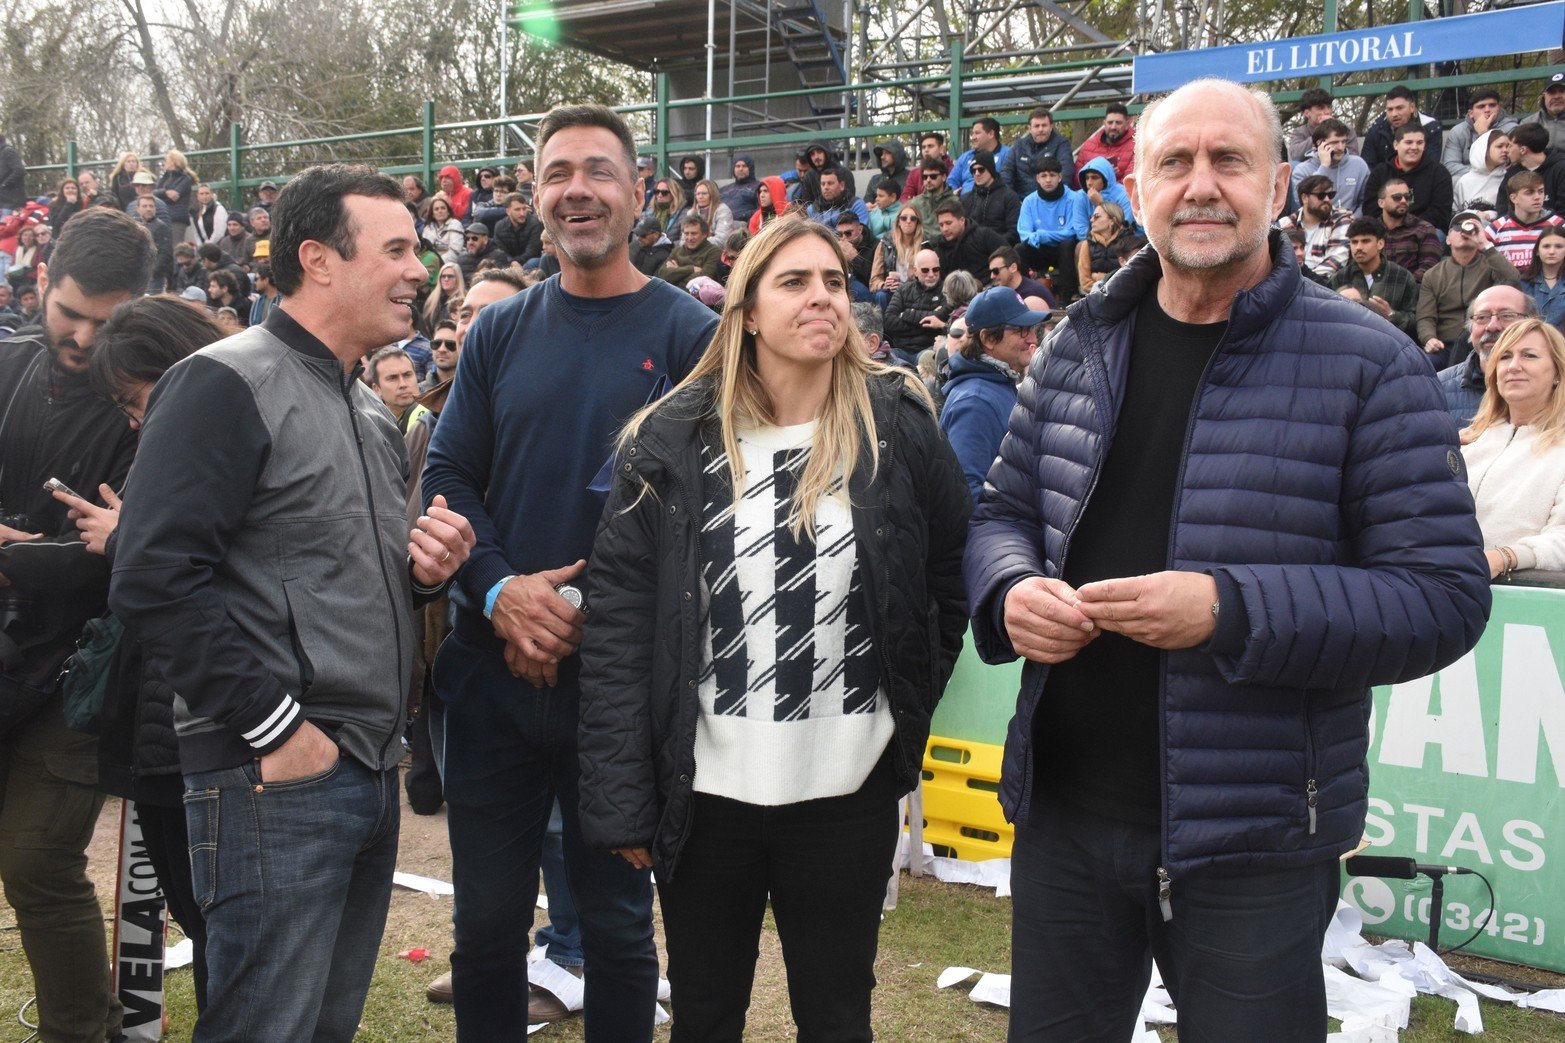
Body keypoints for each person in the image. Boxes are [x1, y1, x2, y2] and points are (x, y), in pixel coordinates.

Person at [963, 78, 1489, 1042]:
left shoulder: (1369, 362)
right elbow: (1000, 510)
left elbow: (1441, 597)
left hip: (1253, 837)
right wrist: (1006, 592)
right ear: (1135, 190)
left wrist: (1228, 608)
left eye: (1228, 160)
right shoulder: (1078, 340)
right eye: (1173, 162)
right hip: (1066, 816)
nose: (1199, 185)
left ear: (1278, 184)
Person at [577, 215, 971, 1043]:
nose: (822, 297)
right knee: (707, 1014)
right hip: (708, 794)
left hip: (846, 794)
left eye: (833, 280)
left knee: (836, 1017)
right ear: (747, 310)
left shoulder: (896, 425)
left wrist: (900, 714)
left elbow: (944, 587)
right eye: (794, 282)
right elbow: (616, 625)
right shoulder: (671, 439)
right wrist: (621, 801)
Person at [108, 163, 475, 1041]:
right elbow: (151, 577)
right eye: (395, 248)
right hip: (273, 776)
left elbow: (329, 573)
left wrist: (426, 570)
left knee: (321, 1028)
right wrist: (280, 731)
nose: (419, 268)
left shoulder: (365, 407)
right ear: (316, 258)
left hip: (361, 768)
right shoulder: (222, 381)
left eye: (417, 248)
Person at [419, 103, 720, 1043]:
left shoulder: (688, 335)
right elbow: (448, 475)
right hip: (489, 674)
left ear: (639, 193)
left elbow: (696, 508)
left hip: (617, 689)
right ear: (536, 197)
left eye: (597, 171)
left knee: (623, 933)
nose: (576, 190)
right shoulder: (500, 331)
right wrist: (505, 592)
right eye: (557, 173)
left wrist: (574, 605)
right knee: (485, 931)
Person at [50, 295, 229, 1016]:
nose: (132, 418)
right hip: (161, 732)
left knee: (227, 933)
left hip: (199, 735)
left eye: (135, 398)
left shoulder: (224, 440)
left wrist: (125, 540)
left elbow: (205, 573)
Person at [0, 206, 153, 1043]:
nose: (87, 337)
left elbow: (121, 558)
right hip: (7, 648)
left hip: (84, 672)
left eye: (107, 320)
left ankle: (78, 1033)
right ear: (41, 283)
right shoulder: (6, 364)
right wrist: (47, 545)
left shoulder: (157, 401)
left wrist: (21, 548)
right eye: (71, 313)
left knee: (38, 862)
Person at [1460, 319, 1565, 579]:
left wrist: (1503, 557)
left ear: (1557, 373)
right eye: (1505, 357)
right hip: (1443, 590)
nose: (1514, 366)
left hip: (1521, 604)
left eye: (1529, 356)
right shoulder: (1468, 442)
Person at [940, 285, 1046, 502]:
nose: (1032, 338)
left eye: (1032, 328)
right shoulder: (975, 403)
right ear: (988, 338)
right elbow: (968, 495)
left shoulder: (997, 384)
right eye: (1020, 330)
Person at [1417, 212, 1523, 368]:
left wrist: (1485, 244)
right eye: (1457, 227)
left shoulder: (1490, 265)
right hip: (1444, 344)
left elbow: (1512, 280)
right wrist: (1429, 338)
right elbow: (1425, 317)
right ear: (1447, 239)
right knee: (1422, 364)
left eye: (1471, 227)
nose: (1464, 231)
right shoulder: (1433, 274)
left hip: (1484, 339)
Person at [1438, 285, 1535, 426]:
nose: (1492, 326)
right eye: (1482, 317)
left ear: (1533, 323)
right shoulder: (1436, 390)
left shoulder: (1556, 386)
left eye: (1506, 316)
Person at [1330, 217, 1419, 340]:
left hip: (1389, 343)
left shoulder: (1402, 277)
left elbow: (1416, 321)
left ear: (1380, 244)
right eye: (1354, 242)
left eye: (1365, 241)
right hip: (1348, 341)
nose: (1358, 247)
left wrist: (1390, 314)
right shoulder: (1340, 278)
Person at [1364, 122, 1454, 232]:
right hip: (1386, 229)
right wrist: (1392, 226)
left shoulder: (1439, 173)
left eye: (1419, 143)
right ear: (1396, 144)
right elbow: (1370, 209)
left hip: (1424, 230)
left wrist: (1407, 226)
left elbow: (1440, 213)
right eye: (1408, 142)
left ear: (1424, 145)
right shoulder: (1380, 172)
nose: (1414, 147)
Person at [1016, 156, 1083, 301]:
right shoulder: (1029, 201)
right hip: (1039, 249)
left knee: (1068, 245)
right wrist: (1036, 237)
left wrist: (1044, 235)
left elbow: (1072, 231)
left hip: (1063, 249)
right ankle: (1024, 295)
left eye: (1052, 175)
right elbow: (1024, 233)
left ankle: (1067, 298)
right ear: (1037, 178)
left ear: (1060, 177)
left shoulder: (1074, 198)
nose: (1048, 180)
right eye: (1043, 176)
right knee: (1020, 249)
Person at [1276, 175, 1353, 281]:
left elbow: (1336, 261)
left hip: (1324, 284)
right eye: (1321, 195)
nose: (1327, 199)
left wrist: (1307, 280)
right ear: (1304, 198)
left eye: (1330, 195)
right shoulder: (1286, 223)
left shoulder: (1340, 221)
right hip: (1290, 281)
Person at [1290, 119, 1372, 216]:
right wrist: (1324, 166)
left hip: (1352, 226)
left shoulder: (1359, 165)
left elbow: (1366, 202)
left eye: (1344, 141)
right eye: (1335, 142)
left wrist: (1353, 219)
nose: (1341, 147)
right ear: (1319, 143)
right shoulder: (1301, 170)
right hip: (1317, 225)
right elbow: (1304, 203)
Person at [1488, 170, 1564, 272]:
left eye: (1541, 191)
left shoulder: (1558, 225)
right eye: (1529, 192)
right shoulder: (1496, 228)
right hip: (1508, 285)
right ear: (1514, 198)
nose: (1537, 197)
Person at [883, 247, 946, 366]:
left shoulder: (946, 291)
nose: (931, 274)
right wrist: (927, 321)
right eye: (925, 270)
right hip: (900, 351)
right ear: (916, 271)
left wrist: (906, 315)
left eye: (936, 269)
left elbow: (940, 320)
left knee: (927, 359)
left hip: (928, 350)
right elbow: (889, 322)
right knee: (882, 358)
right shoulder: (903, 290)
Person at [1372, 177, 1442, 281]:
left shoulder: (1424, 229)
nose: (1404, 200)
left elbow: (1429, 268)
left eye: (1407, 197)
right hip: (1371, 289)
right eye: (1397, 197)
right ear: (1381, 203)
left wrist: (1400, 287)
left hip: (1410, 291)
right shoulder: (1370, 229)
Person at [1361, 84, 1445, 170]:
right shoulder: (1376, 130)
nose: (1394, 114)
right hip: (1384, 182)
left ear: (1412, 107)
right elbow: (1367, 169)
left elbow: (1430, 167)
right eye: (1390, 109)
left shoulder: (1430, 127)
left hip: (1421, 181)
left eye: (1399, 108)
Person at [1443, 89, 1519, 181]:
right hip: (1469, 178)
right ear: (1471, 113)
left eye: (1492, 105)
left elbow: (1514, 163)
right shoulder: (1458, 131)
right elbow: (1450, 165)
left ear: (1498, 109)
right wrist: (1479, 173)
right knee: (1454, 180)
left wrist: (1484, 134)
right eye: (1481, 106)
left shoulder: (1512, 129)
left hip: (1501, 177)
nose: (1487, 110)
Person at [1495, 122, 1565, 219]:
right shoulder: (1512, 173)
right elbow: (1502, 208)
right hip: (1516, 230)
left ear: (1523, 150)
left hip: (1554, 231)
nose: (1507, 150)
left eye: (1510, 146)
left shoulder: (1561, 169)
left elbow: (1563, 211)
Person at [1002, 107, 1076, 196]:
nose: (1040, 129)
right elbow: (1006, 173)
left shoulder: (1062, 144)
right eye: (1036, 126)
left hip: (1051, 200)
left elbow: (1066, 173)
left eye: (1044, 125)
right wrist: (1011, 200)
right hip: (1020, 202)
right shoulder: (1019, 146)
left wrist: (1051, 199)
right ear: (1029, 128)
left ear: (1051, 126)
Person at [932, 199, 1007, 284]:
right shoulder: (939, 250)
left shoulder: (984, 236)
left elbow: (1007, 259)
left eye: (948, 223)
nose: (944, 229)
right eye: (941, 225)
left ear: (962, 220)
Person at [1286, 88, 1362, 164]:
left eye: (1329, 107)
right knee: (1293, 164)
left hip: (1340, 168)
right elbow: (1295, 155)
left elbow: (1353, 156)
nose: (1327, 112)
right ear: (1307, 113)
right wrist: (1318, 133)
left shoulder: (1346, 129)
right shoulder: (1300, 132)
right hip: (1311, 170)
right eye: (1320, 108)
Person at [960, 151, 1021, 244]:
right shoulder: (965, 199)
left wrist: (991, 243)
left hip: (999, 250)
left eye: (981, 169)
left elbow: (1014, 232)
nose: (977, 174)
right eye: (973, 170)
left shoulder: (1009, 197)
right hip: (970, 249)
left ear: (991, 170)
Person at [1076, 200, 1135, 295]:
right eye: (1091, 216)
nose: (1091, 220)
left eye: (1097, 216)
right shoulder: (1087, 244)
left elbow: (1131, 277)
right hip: (1097, 296)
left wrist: (1099, 277)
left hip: (1125, 294)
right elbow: (1085, 283)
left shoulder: (1129, 242)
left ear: (1112, 221)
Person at [870, 203, 927, 296]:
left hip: (914, 294)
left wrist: (906, 286)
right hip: (891, 293)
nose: (908, 221)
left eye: (913, 218)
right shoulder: (885, 243)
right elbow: (873, 281)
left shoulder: (925, 245)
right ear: (898, 222)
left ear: (917, 223)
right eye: (904, 218)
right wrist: (885, 285)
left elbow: (929, 280)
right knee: (880, 295)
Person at [1454, 129, 1513, 217]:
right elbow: (1455, 211)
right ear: (1484, 149)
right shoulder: (1464, 181)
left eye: (1507, 146)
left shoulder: (1509, 179)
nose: (1505, 150)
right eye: (1499, 146)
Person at [1074, 102, 1136, 183]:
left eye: (1118, 123)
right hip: (1088, 194)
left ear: (1127, 124)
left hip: (1120, 195)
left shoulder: (1136, 146)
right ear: (1104, 123)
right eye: (1110, 122)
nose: (1113, 127)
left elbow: (1129, 182)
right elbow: (1077, 180)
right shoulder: (1088, 146)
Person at [950, 117, 1012, 196]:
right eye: (973, 133)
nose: (973, 137)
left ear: (991, 134)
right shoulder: (966, 156)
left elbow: (1007, 183)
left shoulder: (1008, 154)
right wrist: (953, 195)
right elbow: (951, 181)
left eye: (977, 133)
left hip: (993, 202)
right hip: (963, 203)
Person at [368, 345, 421, 432]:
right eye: (392, 378)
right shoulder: (372, 427)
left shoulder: (434, 416)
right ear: (377, 389)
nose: (403, 384)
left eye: (407, 375)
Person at [660, 214, 722, 289]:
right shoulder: (677, 251)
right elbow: (662, 274)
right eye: (686, 233)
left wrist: (676, 271)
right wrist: (691, 269)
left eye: (694, 233)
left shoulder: (714, 252)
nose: (689, 238)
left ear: (704, 234)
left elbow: (702, 282)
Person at [988, 246, 1056, 311]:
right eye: (990, 272)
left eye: (995, 271)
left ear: (1013, 268)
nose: (992, 276)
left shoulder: (1035, 292)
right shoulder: (997, 294)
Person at [1524, 224, 1565, 327]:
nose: (1552, 251)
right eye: (1546, 246)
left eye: (1559, 246)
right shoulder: (1523, 282)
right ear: (1537, 251)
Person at [805, 169, 869, 229]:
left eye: (830, 183)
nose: (826, 187)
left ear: (842, 185)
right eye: (823, 184)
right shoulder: (812, 209)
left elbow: (862, 232)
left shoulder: (856, 205)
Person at [136, 195, 174, 293]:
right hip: (137, 276)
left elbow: (166, 253)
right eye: (144, 206)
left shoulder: (161, 227)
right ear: (138, 209)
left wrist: (153, 272)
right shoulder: (135, 226)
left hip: (153, 278)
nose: (148, 209)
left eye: (151, 206)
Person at [1519, 73, 1565, 152]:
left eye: (1562, 91)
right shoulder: (1528, 123)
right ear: (1544, 96)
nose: (1557, 96)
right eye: (1552, 92)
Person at [156, 149, 196, 241]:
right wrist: (165, 192)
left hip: (177, 218)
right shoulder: (164, 178)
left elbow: (174, 197)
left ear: (173, 162)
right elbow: (154, 194)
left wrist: (161, 195)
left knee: (176, 248)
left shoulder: (185, 178)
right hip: (163, 216)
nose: (164, 162)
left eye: (166, 160)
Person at [898, 132, 950, 200]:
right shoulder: (914, 173)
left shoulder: (952, 170)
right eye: (923, 147)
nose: (926, 150)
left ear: (941, 149)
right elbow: (905, 197)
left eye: (930, 146)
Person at [494, 193, 544, 264]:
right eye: (517, 210)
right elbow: (500, 251)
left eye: (524, 209)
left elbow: (532, 252)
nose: (522, 213)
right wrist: (512, 262)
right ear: (508, 211)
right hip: (508, 264)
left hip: (529, 264)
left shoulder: (535, 224)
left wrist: (515, 262)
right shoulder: (500, 226)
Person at [689, 178, 735, 244]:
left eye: (704, 193)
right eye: (698, 194)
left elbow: (722, 240)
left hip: (714, 251)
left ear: (713, 195)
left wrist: (696, 242)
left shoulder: (723, 210)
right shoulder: (691, 213)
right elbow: (683, 240)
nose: (700, 197)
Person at [423, 193, 467, 261]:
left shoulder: (455, 224)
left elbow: (455, 251)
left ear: (448, 212)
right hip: (433, 262)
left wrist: (438, 262)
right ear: (433, 214)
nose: (440, 211)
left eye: (443, 208)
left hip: (452, 263)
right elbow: (426, 250)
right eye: (436, 209)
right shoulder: (428, 228)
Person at [719, 155, 760, 225]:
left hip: (744, 226)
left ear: (750, 168)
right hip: (721, 224)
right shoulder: (723, 190)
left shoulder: (759, 187)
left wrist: (743, 215)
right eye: (737, 166)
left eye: (744, 166)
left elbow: (761, 210)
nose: (741, 169)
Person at [185, 182, 229, 247]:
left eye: (207, 193)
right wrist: (201, 247)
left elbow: (219, 234)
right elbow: (195, 232)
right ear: (197, 195)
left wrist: (207, 246)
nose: (204, 196)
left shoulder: (218, 208)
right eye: (201, 194)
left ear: (211, 194)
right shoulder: (195, 211)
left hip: (219, 246)